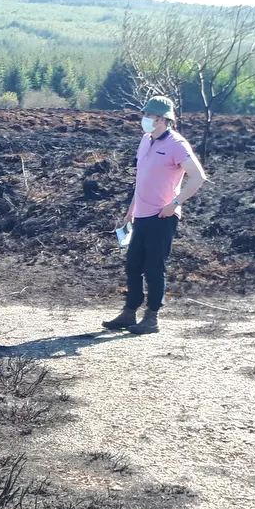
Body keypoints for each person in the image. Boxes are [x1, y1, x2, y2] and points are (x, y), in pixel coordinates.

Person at [102, 97, 208, 335]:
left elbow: (198, 177)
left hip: (162, 217)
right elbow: (142, 179)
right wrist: (131, 209)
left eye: (150, 115)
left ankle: (152, 318)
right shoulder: (145, 140)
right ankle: (129, 312)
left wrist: (175, 203)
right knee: (133, 266)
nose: (145, 119)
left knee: (153, 267)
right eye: (145, 114)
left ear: (163, 119)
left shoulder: (177, 144)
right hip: (140, 215)